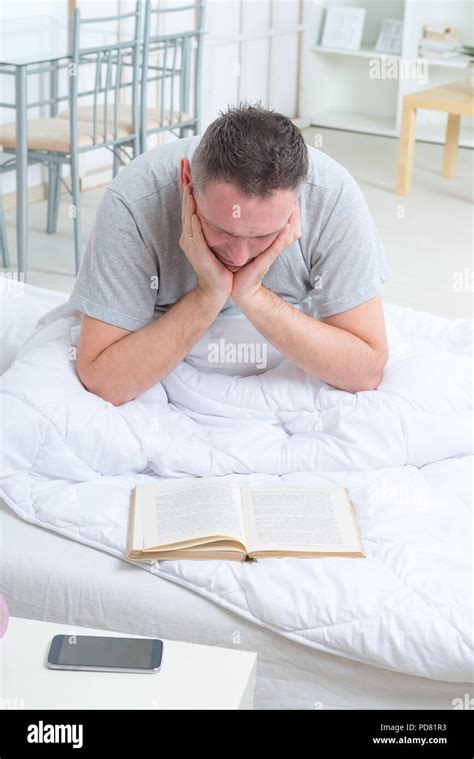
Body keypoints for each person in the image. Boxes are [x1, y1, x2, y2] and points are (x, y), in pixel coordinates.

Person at [72, 102, 391, 406]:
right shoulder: (133, 199)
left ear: (297, 202)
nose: (239, 257)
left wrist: (253, 295)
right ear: (187, 182)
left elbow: (366, 371)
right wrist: (209, 293)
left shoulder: (332, 196)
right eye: (222, 230)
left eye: (264, 235)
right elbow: (104, 381)